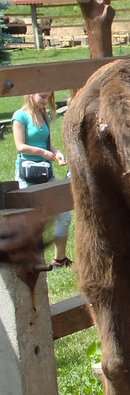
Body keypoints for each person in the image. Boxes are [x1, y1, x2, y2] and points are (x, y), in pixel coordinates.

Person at [12, 91, 72, 269]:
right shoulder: (19, 117)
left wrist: (56, 153)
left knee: (64, 216)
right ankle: (28, 263)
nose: (46, 101)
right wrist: (43, 153)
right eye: (43, 97)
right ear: (30, 94)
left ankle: (60, 259)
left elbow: (48, 144)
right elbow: (20, 146)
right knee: (30, 221)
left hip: (46, 173)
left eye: (49, 98)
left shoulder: (43, 114)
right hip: (26, 175)